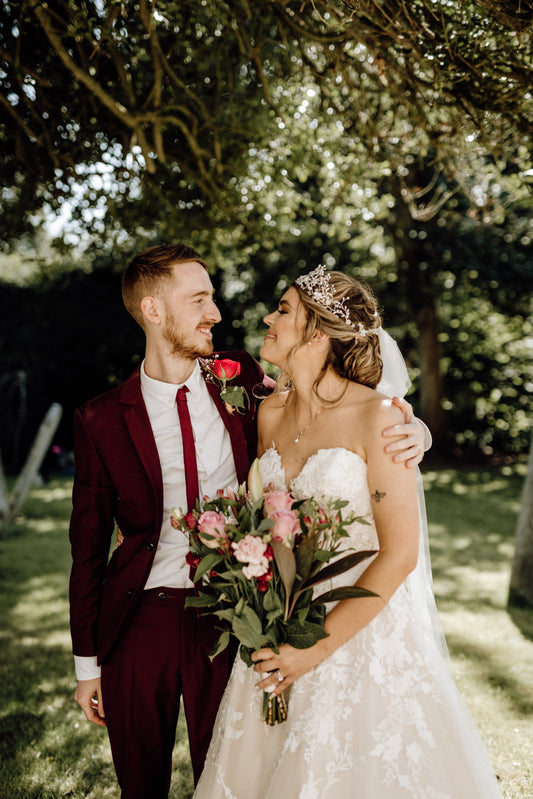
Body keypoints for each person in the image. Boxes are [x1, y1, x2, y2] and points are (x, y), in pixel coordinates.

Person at [68, 245, 428, 799]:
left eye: (211, 297)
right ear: (153, 310)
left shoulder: (243, 380)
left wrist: (415, 431)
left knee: (236, 769)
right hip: (140, 618)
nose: (216, 312)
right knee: (140, 782)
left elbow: (335, 414)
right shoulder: (100, 419)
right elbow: (87, 549)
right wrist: (86, 664)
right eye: (199, 300)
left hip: (233, 616)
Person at [193, 266, 504, 799]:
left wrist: (311, 653)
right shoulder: (268, 413)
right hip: (280, 627)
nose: (268, 317)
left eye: (284, 309)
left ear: (317, 333)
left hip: (362, 638)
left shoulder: (381, 417)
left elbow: (401, 553)